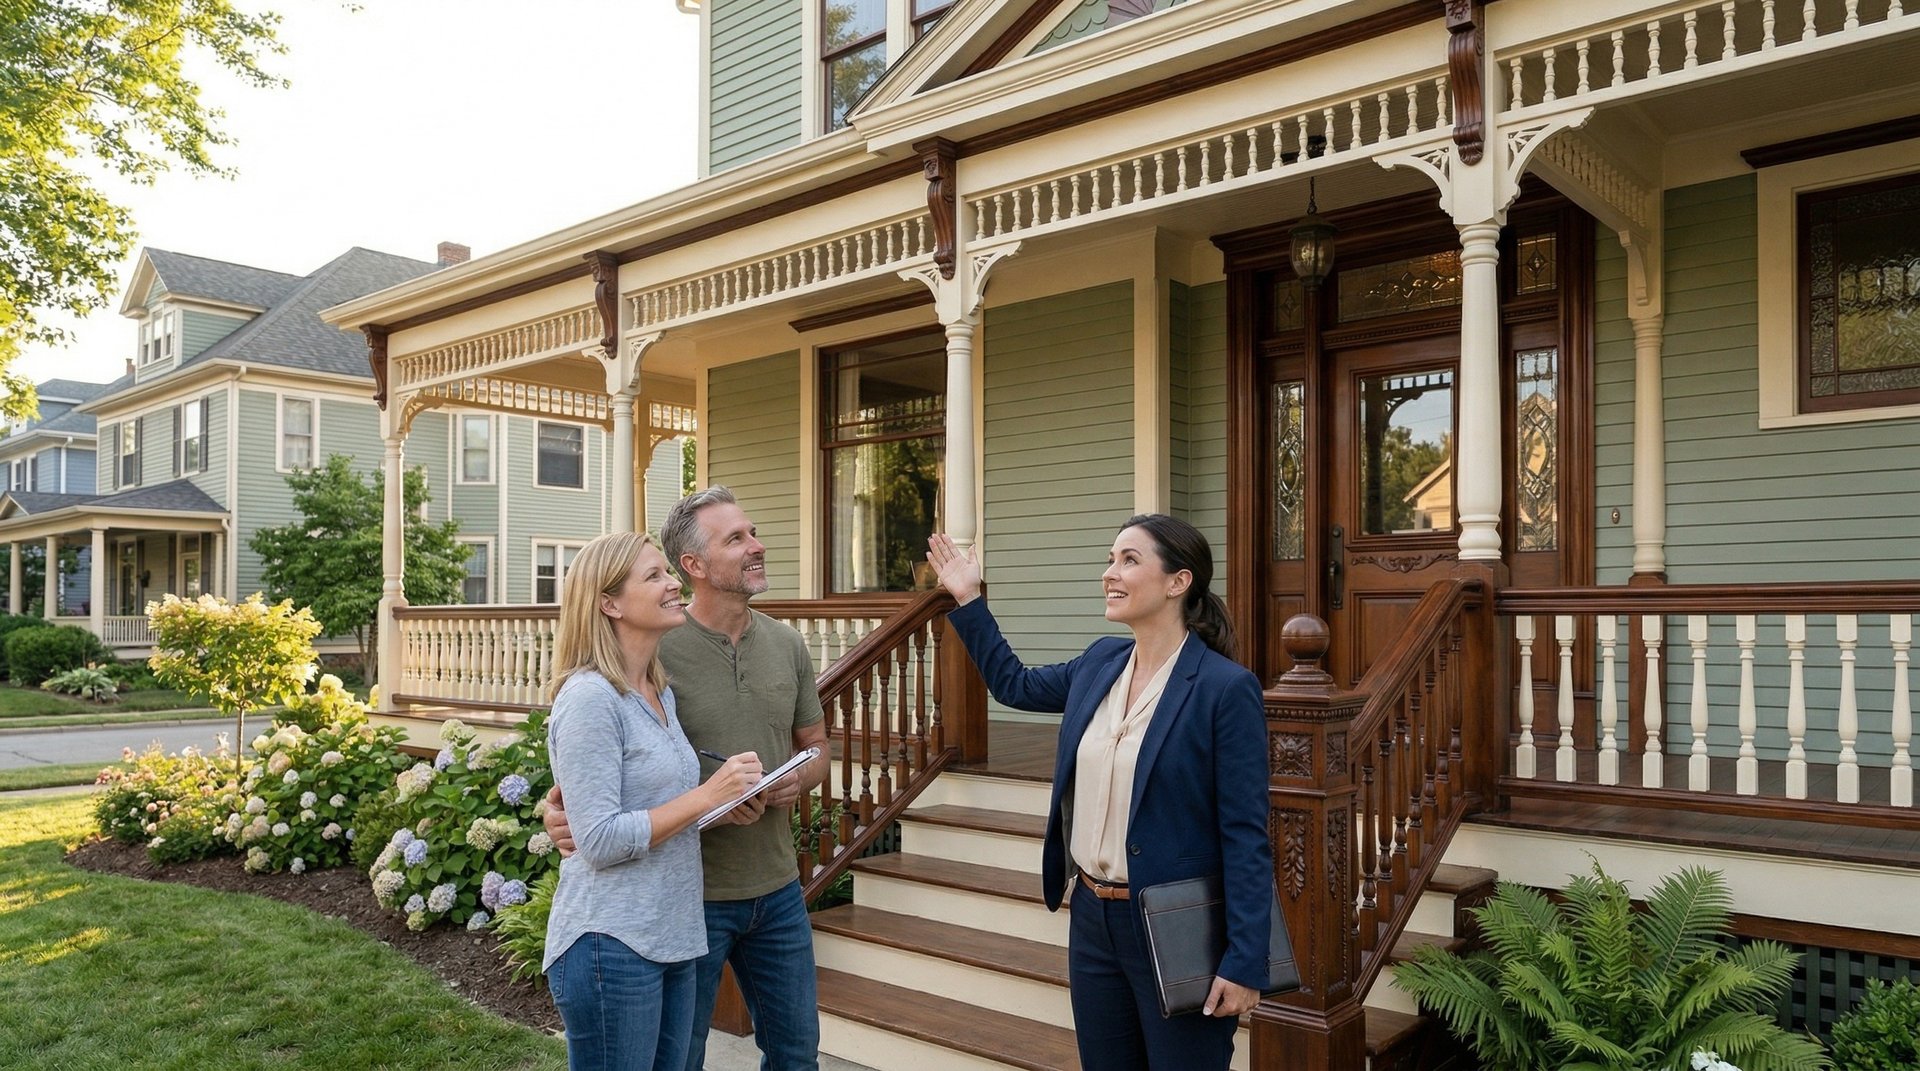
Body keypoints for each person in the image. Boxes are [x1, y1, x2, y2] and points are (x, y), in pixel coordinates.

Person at [926, 515, 1272, 1071]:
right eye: (1111, 560)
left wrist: (1246, 960)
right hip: (1092, 916)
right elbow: (1013, 684)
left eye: (1129, 560)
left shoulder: (1224, 689)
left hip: (1176, 924)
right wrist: (967, 596)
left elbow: (1246, 834)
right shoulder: (1099, 663)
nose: (1110, 574)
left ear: (1178, 582)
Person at [546, 486, 828, 1071]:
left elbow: (815, 748)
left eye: (752, 532)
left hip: (766, 889)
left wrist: (793, 783)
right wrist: (557, 810)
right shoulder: (648, 659)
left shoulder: (679, 677)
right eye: (737, 538)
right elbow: (587, 768)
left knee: (796, 1053)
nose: (757, 545)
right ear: (694, 565)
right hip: (684, 902)